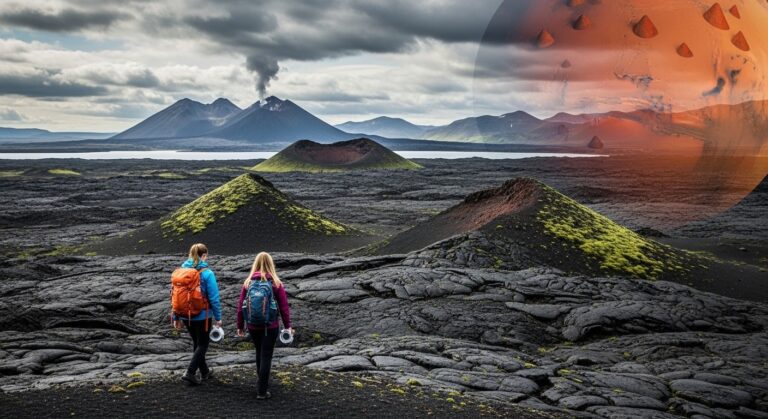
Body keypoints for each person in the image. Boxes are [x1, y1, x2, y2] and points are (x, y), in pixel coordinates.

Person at [236, 252, 293, 399]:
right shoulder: (275, 283)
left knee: (258, 352)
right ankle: (262, 390)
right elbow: (284, 307)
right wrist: (288, 327)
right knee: (266, 356)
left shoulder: (248, 282)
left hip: (253, 326)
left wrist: (240, 326)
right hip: (270, 326)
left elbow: (240, 306)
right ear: (271, 264)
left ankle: (261, 380)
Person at [173, 243, 222, 386]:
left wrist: (176, 317)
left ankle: (205, 372)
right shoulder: (207, 273)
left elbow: (174, 296)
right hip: (202, 315)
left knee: (197, 343)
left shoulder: (181, 271)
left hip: (184, 314)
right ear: (204, 255)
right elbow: (214, 298)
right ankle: (190, 372)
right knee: (203, 344)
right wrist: (218, 318)